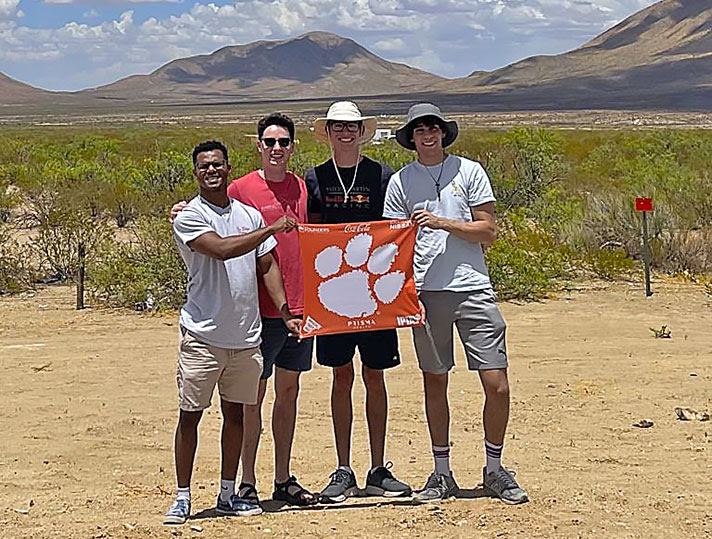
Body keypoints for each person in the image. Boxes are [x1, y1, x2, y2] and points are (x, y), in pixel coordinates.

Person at [383, 103, 529, 504]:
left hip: (472, 287)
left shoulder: (470, 171)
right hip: (426, 292)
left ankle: (494, 468)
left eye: (433, 128)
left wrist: (444, 222)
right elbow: (393, 240)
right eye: (419, 130)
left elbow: (488, 231)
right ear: (410, 138)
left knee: (496, 383)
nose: (427, 135)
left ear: (444, 134)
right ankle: (442, 471)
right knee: (435, 380)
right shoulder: (401, 181)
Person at [170, 115, 317, 507]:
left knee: (237, 412)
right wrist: (270, 229)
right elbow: (220, 249)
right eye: (205, 166)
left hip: (248, 332)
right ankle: (185, 495)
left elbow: (266, 265)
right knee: (193, 413)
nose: (212, 171)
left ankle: (230, 492)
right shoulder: (193, 216)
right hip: (204, 332)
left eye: (218, 165)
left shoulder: (277, 199)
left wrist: (288, 311)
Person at [305, 101, 411, 502]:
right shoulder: (314, 178)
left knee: (375, 375)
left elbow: (395, 227)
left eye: (352, 127)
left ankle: (378, 467)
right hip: (331, 297)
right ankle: (343, 468)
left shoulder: (382, 176)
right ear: (328, 132)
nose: (346, 133)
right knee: (340, 376)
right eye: (338, 127)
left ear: (362, 132)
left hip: (374, 295)